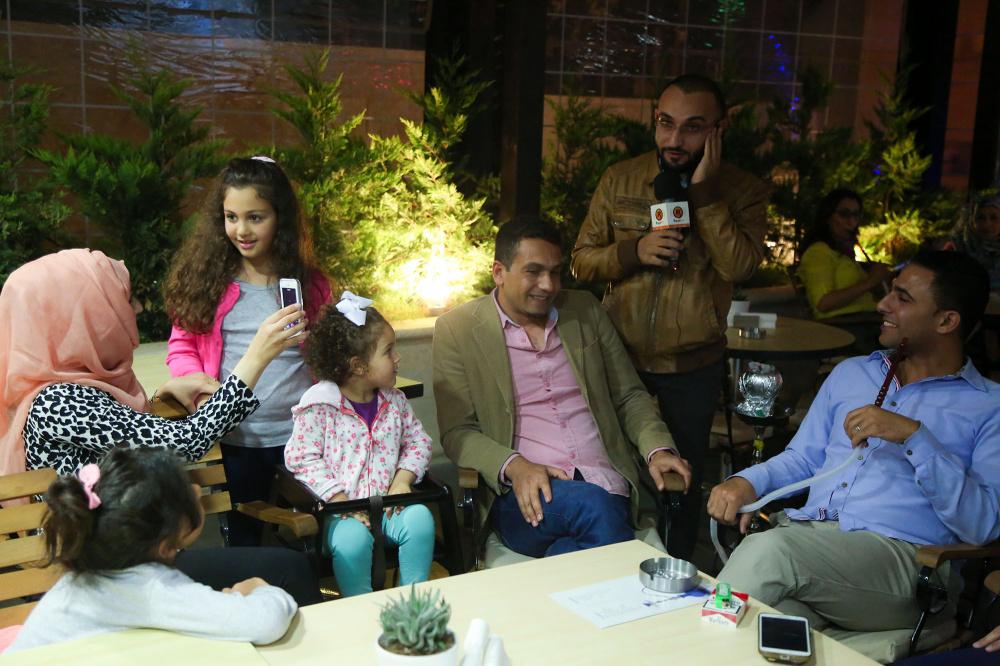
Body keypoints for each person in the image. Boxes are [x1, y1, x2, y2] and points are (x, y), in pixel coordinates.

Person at [707, 250, 1000, 662]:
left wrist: (915, 438)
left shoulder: (989, 407)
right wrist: (747, 482)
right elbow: (803, 459)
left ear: (946, 321)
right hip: (813, 545)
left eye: (902, 298)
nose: (883, 304)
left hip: (906, 565)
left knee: (768, 553)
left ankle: (677, 650)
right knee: (768, 624)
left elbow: (983, 525)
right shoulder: (853, 373)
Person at [0, 248, 322, 606]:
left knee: (286, 569)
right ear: (80, 317)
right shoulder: (59, 401)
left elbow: (120, 433)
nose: (138, 308)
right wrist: (258, 354)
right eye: (125, 299)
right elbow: (185, 442)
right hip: (106, 578)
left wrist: (160, 395)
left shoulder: (69, 389)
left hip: (124, 564)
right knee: (290, 569)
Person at [571, 74, 769, 560]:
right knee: (611, 471)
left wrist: (706, 197)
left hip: (692, 366)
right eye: (666, 123)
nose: (675, 139)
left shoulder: (743, 190)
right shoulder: (621, 178)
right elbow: (580, 262)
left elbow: (740, 267)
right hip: (619, 359)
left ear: (719, 129)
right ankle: (606, 561)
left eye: (693, 127)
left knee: (680, 481)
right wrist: (634, 251)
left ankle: (674, 570)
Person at [434, 218, 691, 560]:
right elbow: (458, 431)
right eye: (534, 272)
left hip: (607, 482)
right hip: (525, 495)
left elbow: (629, 396)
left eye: (555, 273)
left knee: (579, 537)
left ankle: (559, 570)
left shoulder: (584, 311)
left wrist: (657, 450)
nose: (548, 285)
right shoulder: (458, 329)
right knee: (593, 506)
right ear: (499, 272)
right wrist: (515, 465)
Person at [164, 156, 332, 546]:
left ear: (280, 218)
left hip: (303, 438)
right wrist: (198, 386)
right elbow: (182, 345)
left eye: (255, 217)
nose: (241, 230)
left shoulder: (311, 284)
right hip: (238, 440)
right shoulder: (206, 282)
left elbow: (327, 356)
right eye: (231, 217)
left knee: (312, 539)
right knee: (247, 539)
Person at [7, 448, 297, 653]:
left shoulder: (88, 576)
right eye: (189, 490)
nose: (197, 492)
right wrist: (260, 590)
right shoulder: (150, 590)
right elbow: (266, 622)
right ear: (166, 547)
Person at [285, 293, 435, 596]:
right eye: (389, 351)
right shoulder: (319, 406)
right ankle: (360, 607)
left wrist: (402, 481)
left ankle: (413, 603)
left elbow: (418, 442)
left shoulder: (395, 402)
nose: (397, 358)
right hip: (339, 515)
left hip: (389, 508)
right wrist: (338, 499)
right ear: (358, 366)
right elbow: (302, 458)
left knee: (421, 518)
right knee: (352, 540)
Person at [797, 188, 892, 352]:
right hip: (845, 329)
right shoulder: (819, 252)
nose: (851, 222)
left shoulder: (845, 254)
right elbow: (823, 303)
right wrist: (870, 282)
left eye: (856, 215)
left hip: (866, 323)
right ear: (828, 217)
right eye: (844, 214)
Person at [949, 195, 1000, 288]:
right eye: (980, 218)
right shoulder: (957, 247)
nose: (987, 224)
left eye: (994, 218)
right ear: (971, 221)